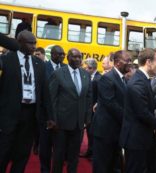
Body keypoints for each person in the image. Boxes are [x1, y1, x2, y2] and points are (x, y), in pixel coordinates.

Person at [0, 30, 47, 172]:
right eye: (30, 43)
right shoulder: (6, 60)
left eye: (35, 43)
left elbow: (44, 93)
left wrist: (48, 116)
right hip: (9, 114)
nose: (34, 47)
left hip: (31, 114)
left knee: (23, 153)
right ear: (19, 43)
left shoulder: (39, 63)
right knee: (3, 151)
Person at [120, 48, 156, 173]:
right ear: (148, 62)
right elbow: (142, 112)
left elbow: (147, 102)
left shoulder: (143, 79)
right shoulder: (137, 82)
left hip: (142, 138)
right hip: (136, 140)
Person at [48, 48, 93, 173]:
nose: (78, 59)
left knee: (74, 157)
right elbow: (52, 99)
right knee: (59, 156)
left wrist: (87, 119)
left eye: (80, 57)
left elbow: (89, 98)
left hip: (78, 125)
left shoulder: (85, 74)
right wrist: (53, 120)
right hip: (61, 124)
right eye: (74, 57)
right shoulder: (58, 73)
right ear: (68, 58)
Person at [92, 50, 131, 173]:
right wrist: (129, 118)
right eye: (128, 61)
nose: (130, 63)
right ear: (118, 63)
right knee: (102, 167)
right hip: (105, 132)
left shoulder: (123, 79)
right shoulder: (107, 78)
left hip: (116, 132)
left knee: (113, 166)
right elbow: (111, 104)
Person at [39, 45, 66, 173]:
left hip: (61, 114)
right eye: (59, 54)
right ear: (52, 54)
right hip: (45, 114)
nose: (61, 57)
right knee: (45, 145)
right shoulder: (43, 67)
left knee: (59, 146)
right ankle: (44, 169)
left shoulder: (66, 68)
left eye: (63, 54)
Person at [81, 58, 102, 159]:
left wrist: (97, 103)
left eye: (86, 68)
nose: (84, 69)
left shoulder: (99, 78)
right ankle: (89, 151)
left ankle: (93, 153)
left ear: (91, 68)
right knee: (89, 132)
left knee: (93, 133)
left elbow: (100, 95)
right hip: (89, 111)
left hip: (95, 111)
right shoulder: (89, 77)